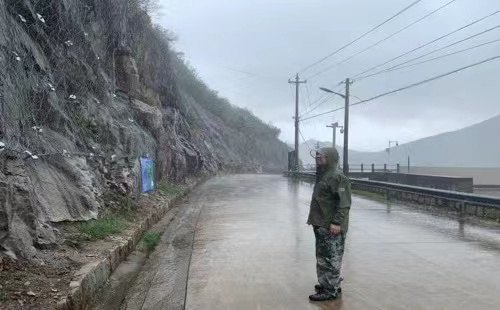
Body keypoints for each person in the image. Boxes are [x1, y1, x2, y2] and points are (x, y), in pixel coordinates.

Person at [307, 147, 352, 301]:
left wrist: (336, 222)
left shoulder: (337, 177)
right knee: (323, 255)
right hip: (321, 223)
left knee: (331, 257)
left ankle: (330, 290)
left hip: (331, 225)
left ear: (330, 158)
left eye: (321, 158)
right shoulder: (323, 175)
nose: (318, 160)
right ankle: (328, 283)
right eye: (317, 158)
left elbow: (344, 203)